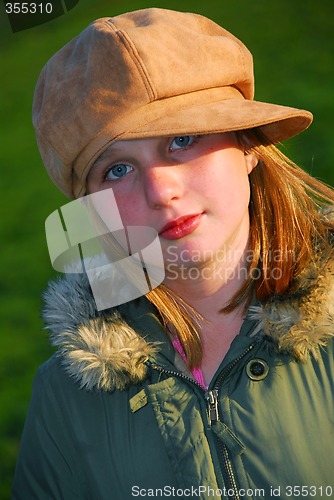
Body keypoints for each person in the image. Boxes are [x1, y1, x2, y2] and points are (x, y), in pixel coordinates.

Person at [12, 8, 334, 500]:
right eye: (117, 169)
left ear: (248, 143)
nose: (161, 191)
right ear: (93, 210)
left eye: (182, 139)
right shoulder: (63, 398)